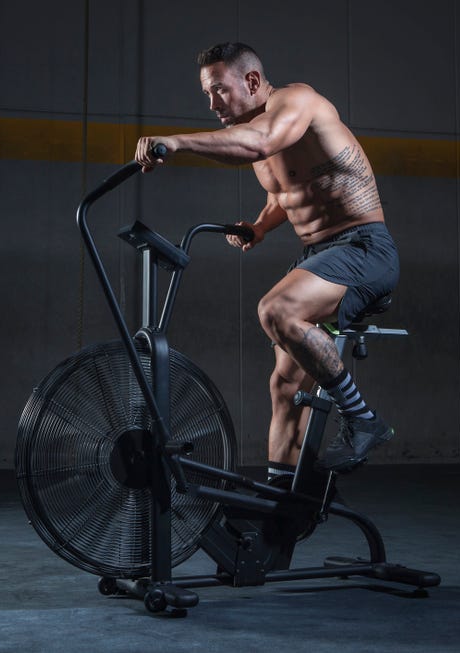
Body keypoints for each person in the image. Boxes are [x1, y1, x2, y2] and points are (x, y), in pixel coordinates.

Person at [135, 42, 399, 476]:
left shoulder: (296, 102)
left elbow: (260, 143)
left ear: (252, 81)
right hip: (319, 255)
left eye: (220, 89)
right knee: (285, 386)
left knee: (276, 310)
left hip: (363, 248)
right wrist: (259, 226)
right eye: (207, 94)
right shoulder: (262, 130)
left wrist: (177, 142)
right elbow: (286, 193)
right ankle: (284, 499)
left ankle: (362, 417)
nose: (212, 103)